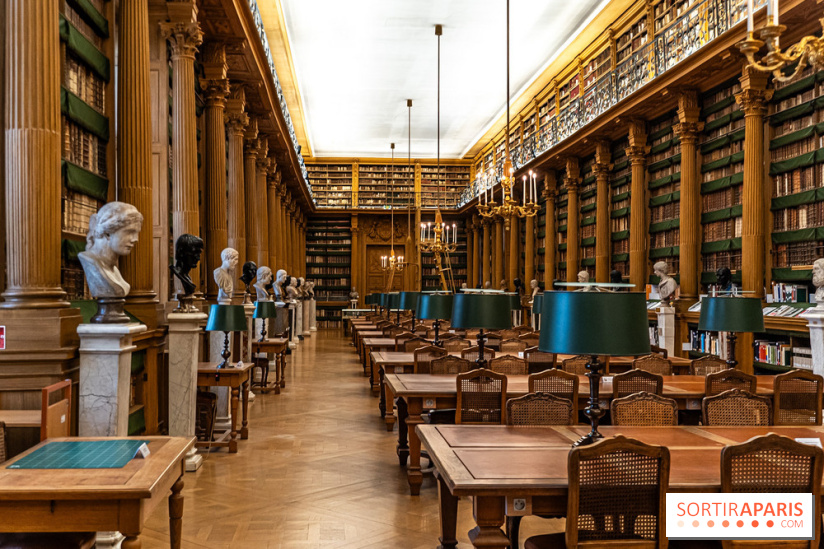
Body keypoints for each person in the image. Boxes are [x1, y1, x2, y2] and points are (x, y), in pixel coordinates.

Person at [78, 201, 143, 298]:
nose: (135, 239)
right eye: (129, 232)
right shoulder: (91, 262)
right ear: (108, 233)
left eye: (137, 233)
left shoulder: (114, 270)